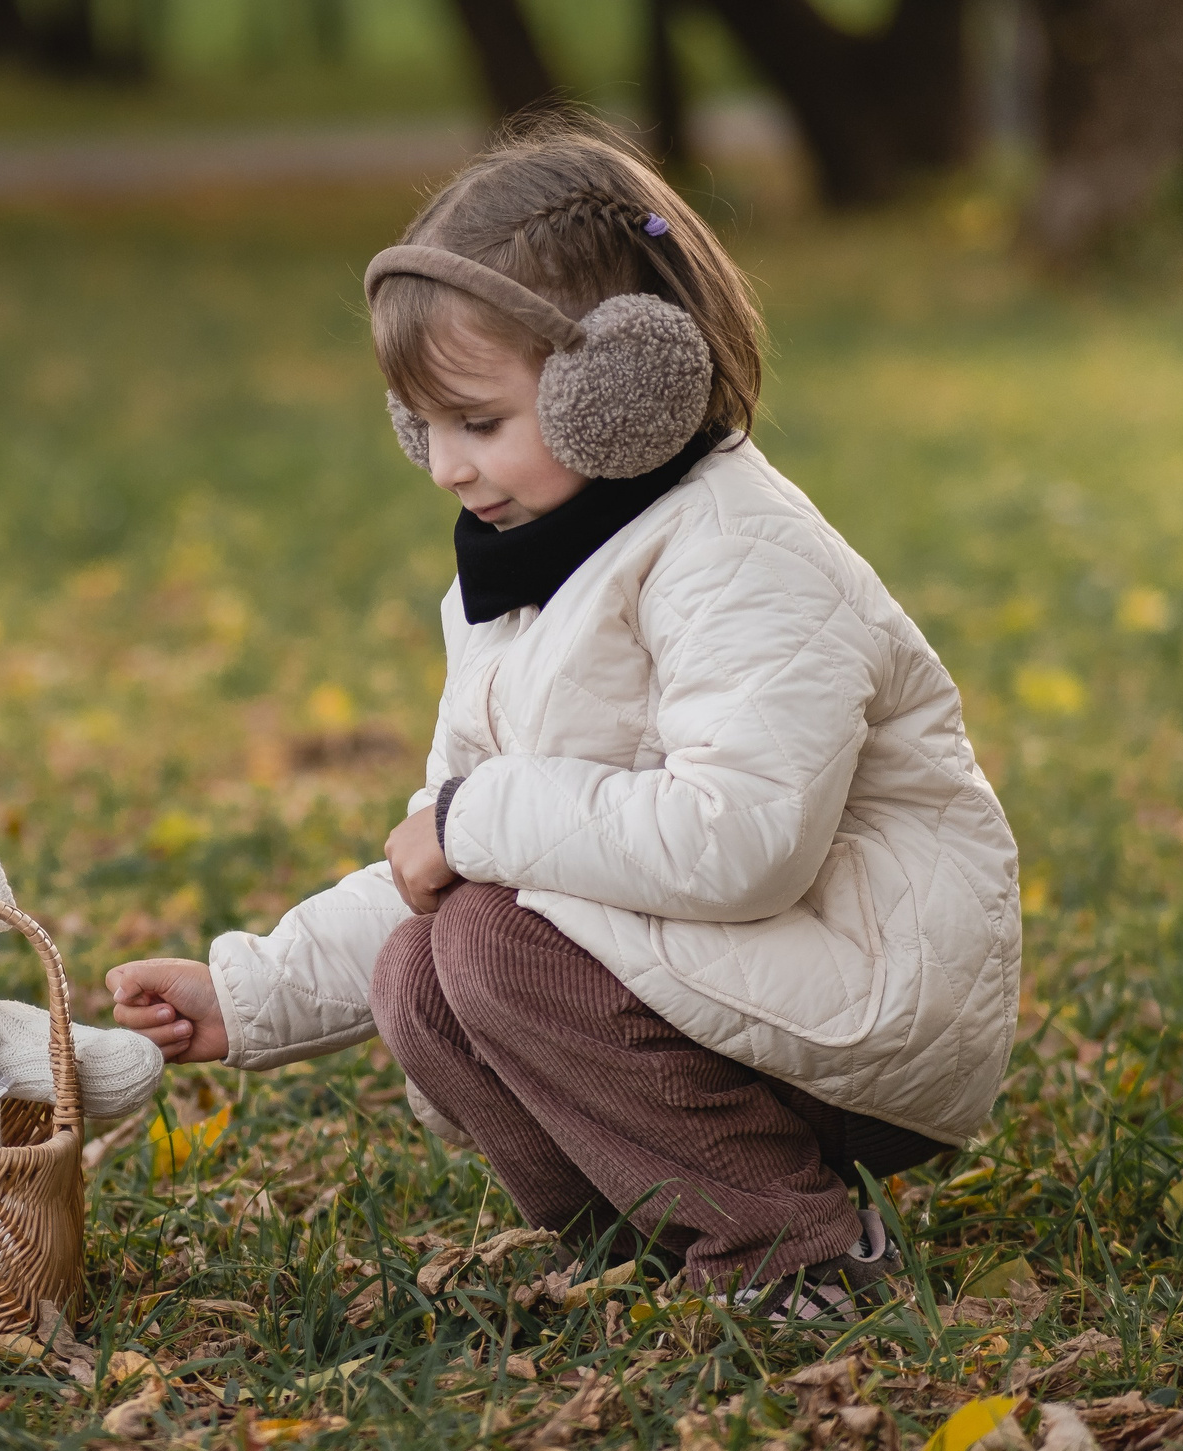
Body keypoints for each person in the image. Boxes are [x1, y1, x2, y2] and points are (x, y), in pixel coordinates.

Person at [106, 119, 1021, 1322]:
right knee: (422, 966)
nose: (442, 464)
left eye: (478, 422)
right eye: (421, 423)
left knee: (489, 943)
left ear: (624, 386)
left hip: (855, 1015)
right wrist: (254, 993)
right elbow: (441, 857)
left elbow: (740, 841)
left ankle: (793, 1253)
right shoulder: (524, 567)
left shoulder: (738, 552)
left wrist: (475, 820)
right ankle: (641, 1235)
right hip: (720, 997)